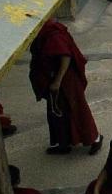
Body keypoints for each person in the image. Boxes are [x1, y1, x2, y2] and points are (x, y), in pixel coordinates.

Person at [28, 19, 102, 156]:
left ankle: (95, 138)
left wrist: (57, 80)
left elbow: (65, 55)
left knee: (77, 109)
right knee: (57, 112)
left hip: (66, 80)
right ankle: (63, 143)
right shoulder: (44, 31)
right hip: (52, 77)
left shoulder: (53, 34)